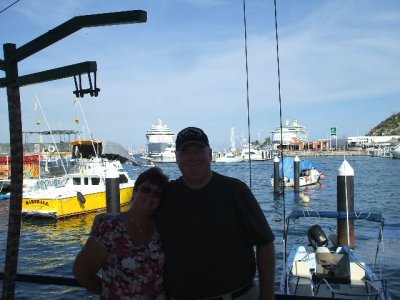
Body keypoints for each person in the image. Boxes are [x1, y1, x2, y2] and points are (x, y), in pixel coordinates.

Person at [157, 127, 276, 300]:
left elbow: (265, 243)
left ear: (210, 154)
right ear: (176, 157)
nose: (193, 157)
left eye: (199, 151)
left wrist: (267, 295)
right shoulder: (166, 195)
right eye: (186, 152)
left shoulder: (236, 190)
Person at [73, 167, 169, 299]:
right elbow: (82, 272)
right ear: (135, 191)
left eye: (157, 194)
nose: (151, 196)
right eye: (146, 189)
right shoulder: (110, 227)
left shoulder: (162, 229)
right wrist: (111, 291)